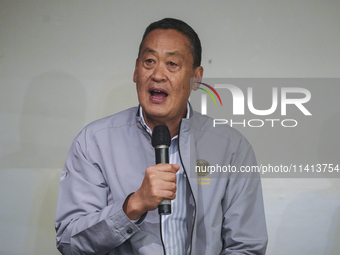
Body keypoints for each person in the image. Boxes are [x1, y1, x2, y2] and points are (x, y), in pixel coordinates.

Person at [55, 18, 268, 255]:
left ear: (196, 77)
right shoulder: (94, 142)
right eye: (149, 61)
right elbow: (69, 243)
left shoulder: (231, 146)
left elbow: (247, 246)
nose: (158, 74)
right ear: (136, 70)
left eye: (172, 64)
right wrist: (133, 205)